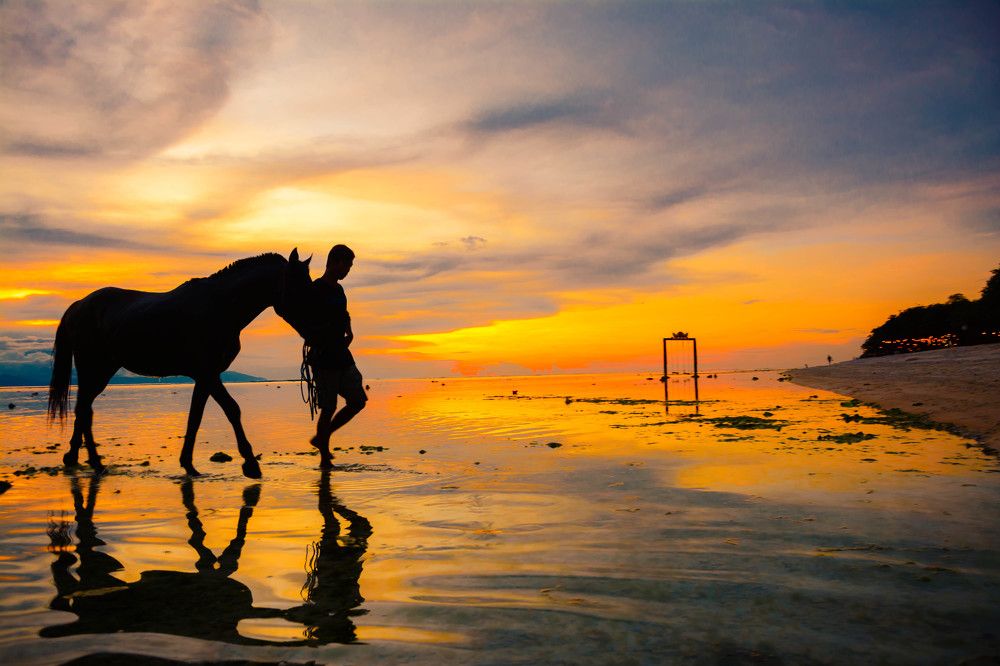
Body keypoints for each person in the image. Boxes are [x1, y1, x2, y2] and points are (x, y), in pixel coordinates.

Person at [304, 244, 367, 467]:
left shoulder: (339, 291)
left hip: (342, 353)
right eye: (347, 265)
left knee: (358, 401)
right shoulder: (316, 289)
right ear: (336, 262)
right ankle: (324, 459)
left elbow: (344, 313)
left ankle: (321, 438)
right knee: (328, 407)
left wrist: (349, 329)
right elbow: (306, 322)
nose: (348, 270)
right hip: (324, 357)